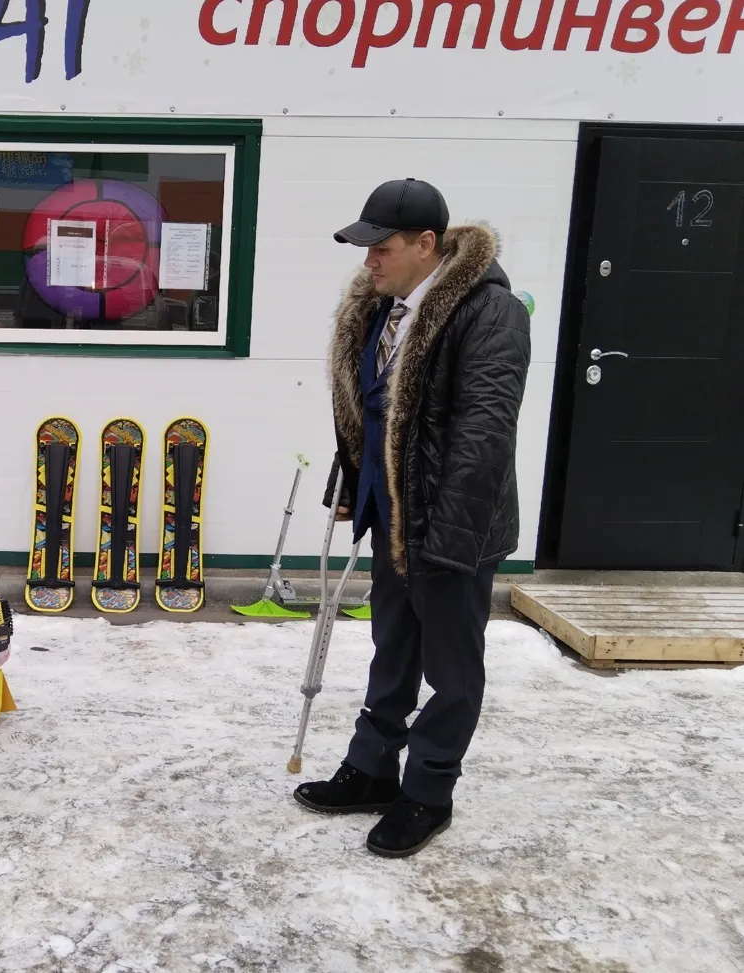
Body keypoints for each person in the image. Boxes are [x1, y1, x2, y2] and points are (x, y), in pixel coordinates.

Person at [294, 179, 530, 857]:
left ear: (427, 244)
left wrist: (450, 539)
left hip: (454, 525)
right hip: (393, 513)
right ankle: (372, 768)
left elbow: (484, 431)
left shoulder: (488, 311)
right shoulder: (381, 308)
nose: (369, 260)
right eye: (365, 247)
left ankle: (427, 791)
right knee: (392, 649)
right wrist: (353, 480)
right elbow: (372, 411)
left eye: (382, 247)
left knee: (451, 669)